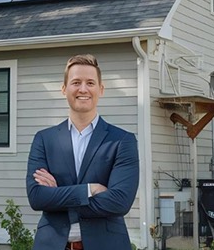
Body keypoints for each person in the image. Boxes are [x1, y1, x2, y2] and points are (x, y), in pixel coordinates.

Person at [26, 54, 140, 250]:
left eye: (90, 83)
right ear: (64, 89)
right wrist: (90, 190)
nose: (83, 89)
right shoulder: (44, 139)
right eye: (76, 82)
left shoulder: (122, 140)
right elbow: (37, 197)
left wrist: (57, 197)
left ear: (101, 90)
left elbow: (120, 201)